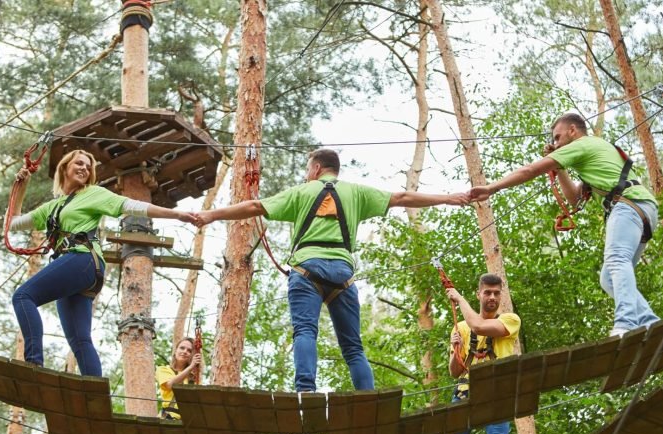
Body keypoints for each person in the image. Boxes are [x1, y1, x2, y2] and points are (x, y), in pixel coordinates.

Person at [192, 148, 468, 392]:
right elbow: (402, 197)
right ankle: (368, 398)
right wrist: (447, 198)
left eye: (307, 169)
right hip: (342, 275)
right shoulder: (356, 192)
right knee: (353, 347)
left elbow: (254, 206)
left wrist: (210, 215)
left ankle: (305, 392)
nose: (305, 174)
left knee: (305, 332)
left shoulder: (302, 191)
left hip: (306, 269)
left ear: (316, 168)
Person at [7, 149, 196, 376]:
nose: (84, 169)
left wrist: (176, 215)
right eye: (79, 163)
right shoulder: (52, 208)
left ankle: (33, 364)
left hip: (82, 260)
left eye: (88, 167)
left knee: (23, 296)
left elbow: (132, 206)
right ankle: (95, 397)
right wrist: (22, 186)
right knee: (80, 340)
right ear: (64, 168)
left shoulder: (93, 193)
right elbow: (13, 223)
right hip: (79, 269)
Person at [469, 113, 659, 336]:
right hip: (641, 208)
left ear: (572, 131)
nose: (556, 143)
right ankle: (649, 321)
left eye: (558, 137)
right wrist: (560, 169)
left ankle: (626, 323)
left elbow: (530, 170)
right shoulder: (594, 151)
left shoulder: (582, 144)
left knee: (617, 259)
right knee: (608, 278)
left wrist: (492, 188)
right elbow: (574, 199)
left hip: (628, 206)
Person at [432, 273, 521, 434]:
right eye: (488, 292)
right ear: (478, 294)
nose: (492, 297)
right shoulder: (461, 327)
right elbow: (455, 371)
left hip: (496, 395)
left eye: (496, 293)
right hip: (465, 393)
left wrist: (460, 299)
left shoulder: (510, 320)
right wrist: (455, 349)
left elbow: (480, 326)